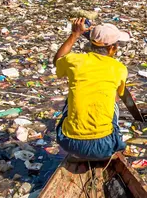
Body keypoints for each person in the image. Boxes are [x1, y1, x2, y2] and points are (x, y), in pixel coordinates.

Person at [53, 18, 130, 160]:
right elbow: (116, 97)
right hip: (104, 145)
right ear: (113, 48)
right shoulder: (119, 69)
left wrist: (75, 34)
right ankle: (110, 147)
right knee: (113, 103)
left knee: (69, 102)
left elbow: (57, 60)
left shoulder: (74, 61)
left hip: (68, 142)